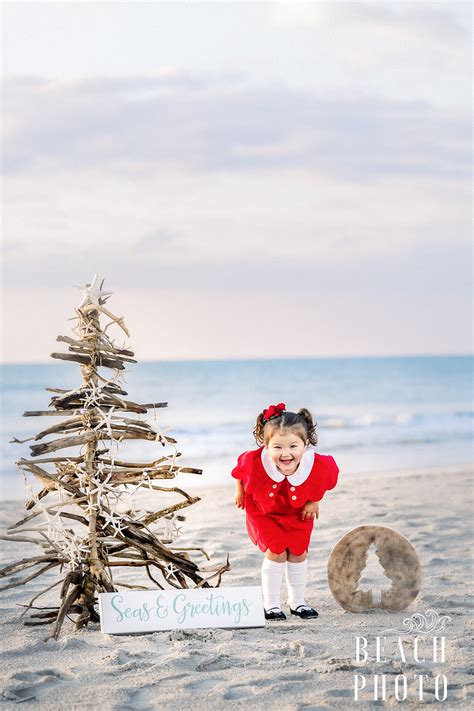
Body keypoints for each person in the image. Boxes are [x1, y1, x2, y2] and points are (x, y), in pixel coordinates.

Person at [232, 402, 339, 621]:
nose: (286, 453)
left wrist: (315, 501)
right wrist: (240, 493)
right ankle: (271, 605)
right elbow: (239, 473)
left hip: (299, 513)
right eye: (277, 447)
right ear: (266, 445)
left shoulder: (317, 463)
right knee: (276, 551)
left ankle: (297, 602)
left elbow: (325, 479)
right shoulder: (254, 461)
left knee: (299, 553)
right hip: (264, 513)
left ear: (305, 443)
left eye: (293, 446)